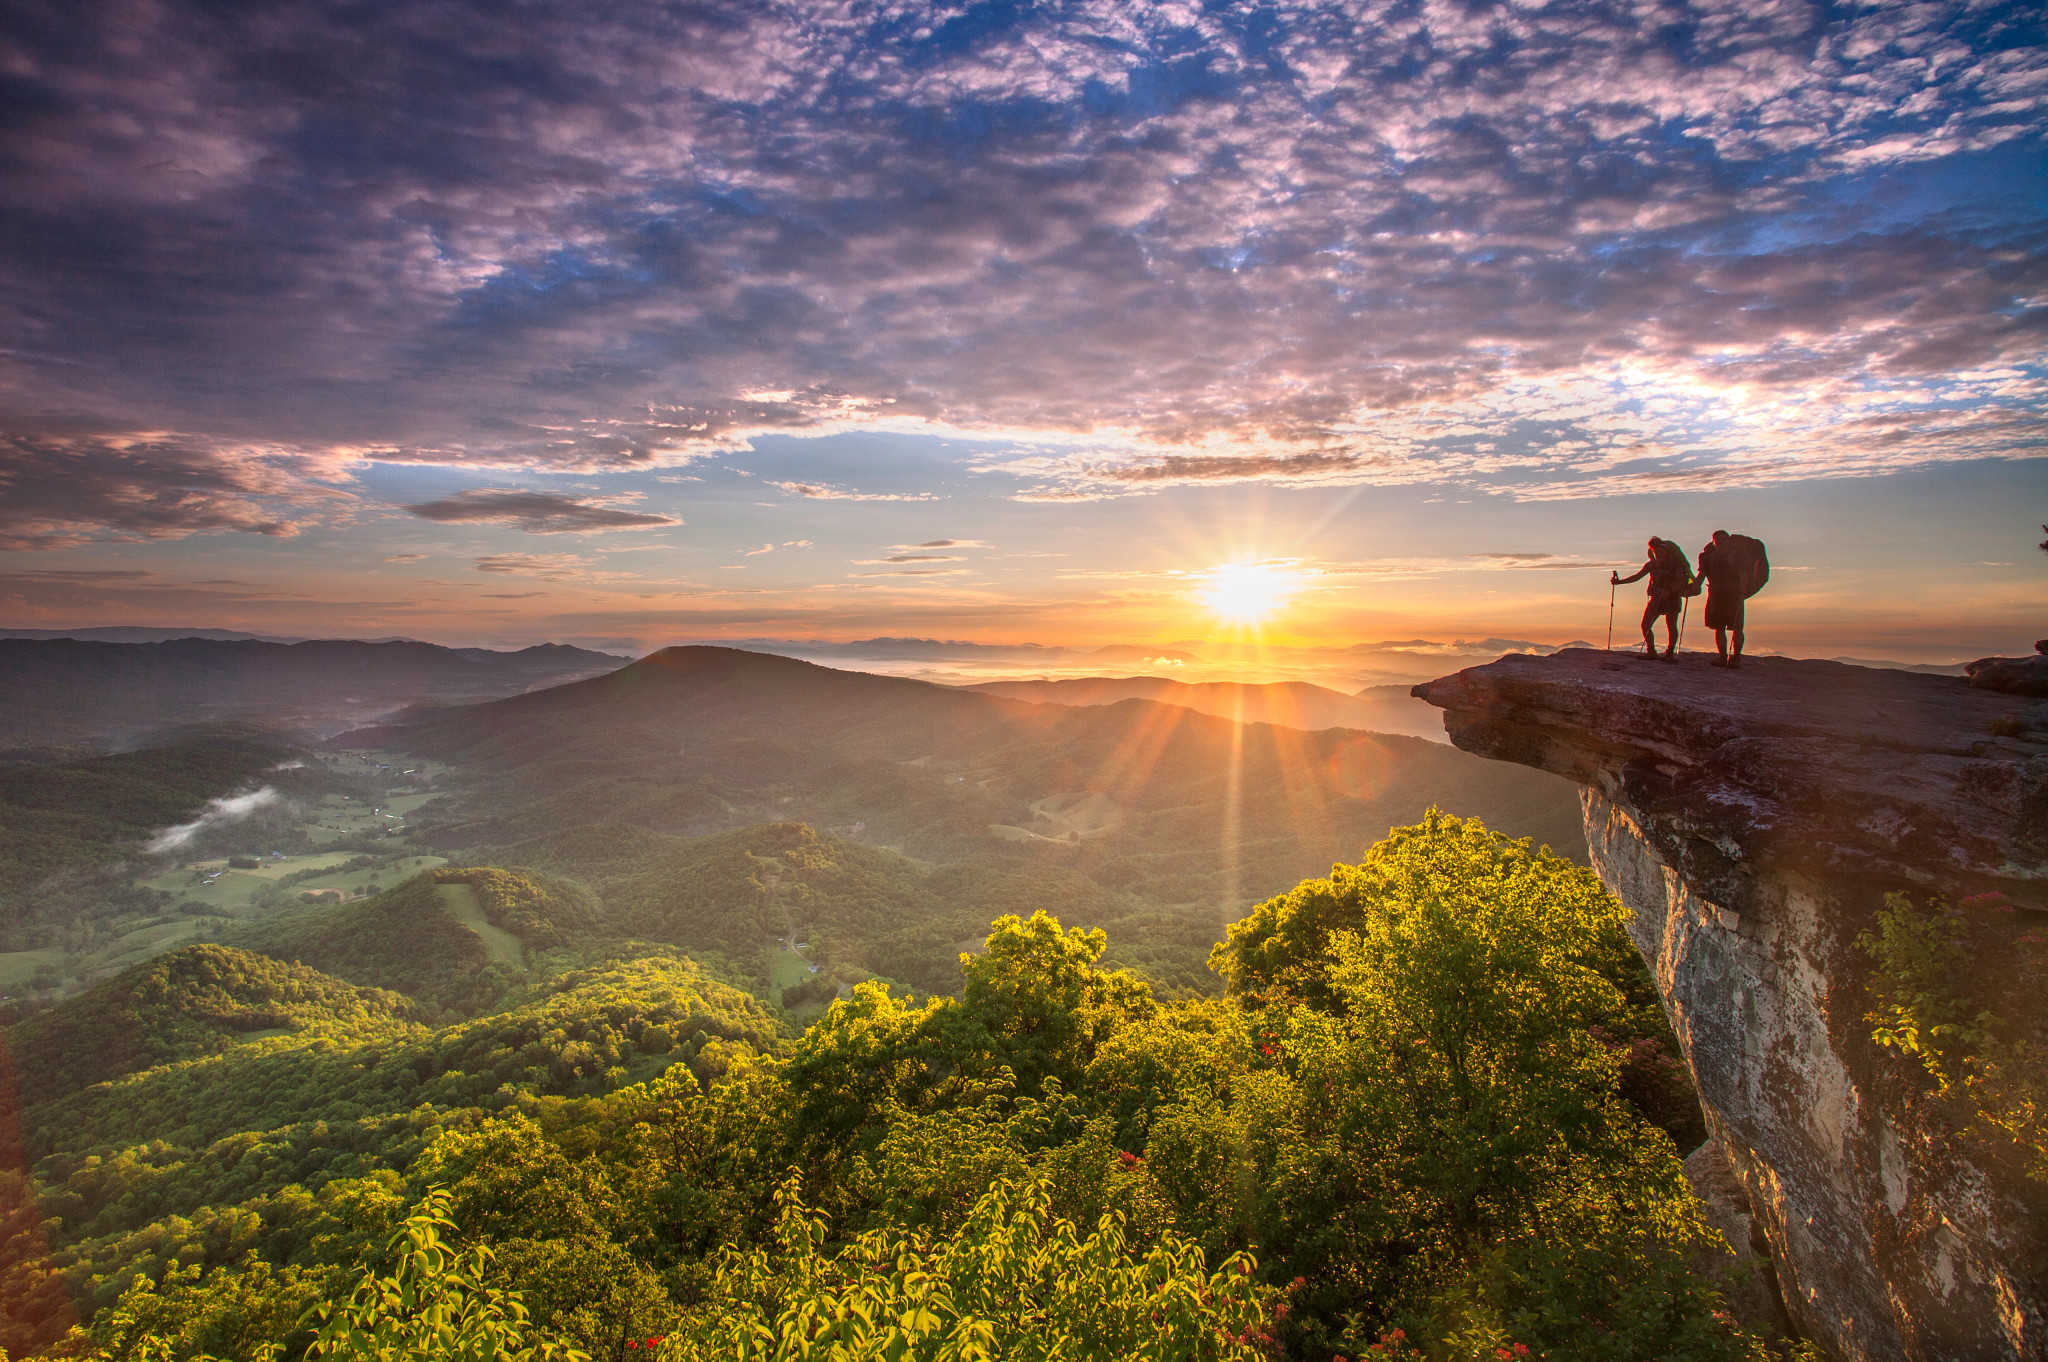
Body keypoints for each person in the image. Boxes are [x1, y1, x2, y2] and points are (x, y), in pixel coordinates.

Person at [1611, 538, 1692, 661]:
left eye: (1662, 552)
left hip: (1672, 597)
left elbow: (1681, 583)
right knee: (1646, 624)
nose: (1659, 555)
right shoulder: (1652, 565)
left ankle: (1669, 652)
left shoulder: (1675, 565)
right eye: (1657, 552)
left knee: (1670, 625)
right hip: (1658, 596)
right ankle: (1652, 651)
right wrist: (1619, 582)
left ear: (1667, 552)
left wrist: (1669, 591)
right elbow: (1637, 576)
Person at [1696, 529, 1748, 668]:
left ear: (1728, 541)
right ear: (1714, 542)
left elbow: (1743, 575)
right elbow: (1702, 574)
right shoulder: (1709, 557)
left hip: (1734, 594)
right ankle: (1723, 656)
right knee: (1718, 627)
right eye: (1718, 540)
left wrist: (1742, 593)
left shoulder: (1736, 556)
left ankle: (1736, 657)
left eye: (1723, 540)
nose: (1721, 543)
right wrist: (1694, 587)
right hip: (1716, 594)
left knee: (1737, 627)